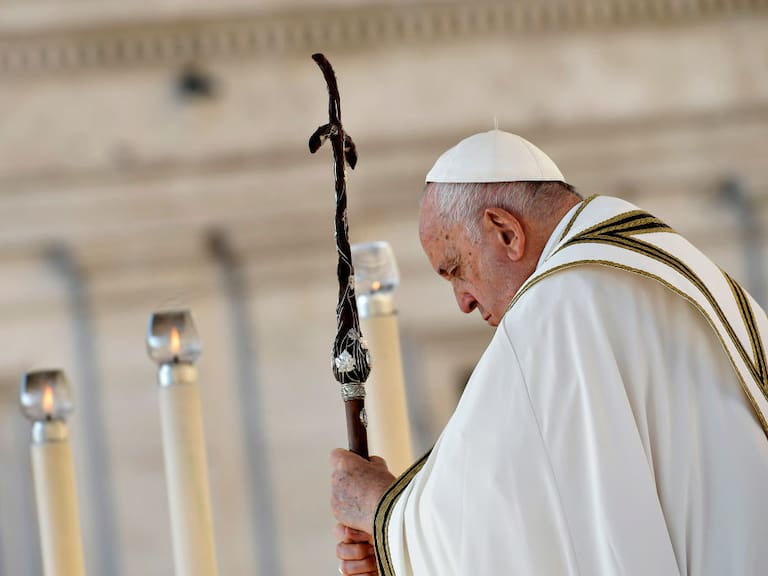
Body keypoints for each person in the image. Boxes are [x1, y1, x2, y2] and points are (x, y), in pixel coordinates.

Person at [330, 129, 768, 575]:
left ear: (505, 233)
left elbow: (502, 517)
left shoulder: (558, 306)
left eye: (456, 270)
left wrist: (383, 516)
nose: (463, 301)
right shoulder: (665, 261)